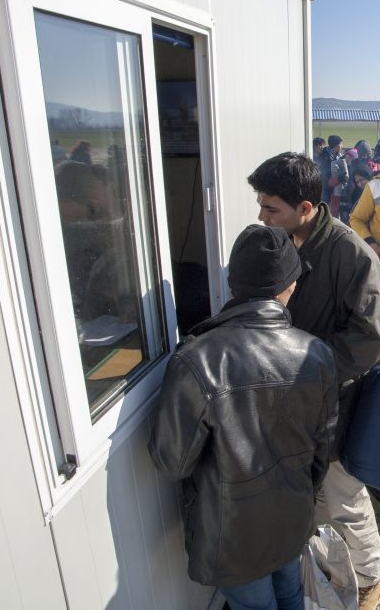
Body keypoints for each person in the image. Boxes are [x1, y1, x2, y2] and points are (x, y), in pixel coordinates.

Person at [148, 224, 338, 610]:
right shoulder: (316, 354)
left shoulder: (196, 360)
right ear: (288, 286)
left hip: (232, 536)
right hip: (292, 516)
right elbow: (322, 451)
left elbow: (172, 461)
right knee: (289, 593)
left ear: (234, 284)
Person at [247, 153, 380, 609]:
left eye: (270, 208)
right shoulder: (284, 242)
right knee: (315, 496)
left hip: (337, 398)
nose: (261, 216)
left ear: (307, 208)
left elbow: (375, 334)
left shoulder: (347, 251)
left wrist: (311, 366)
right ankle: (331, 572)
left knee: (342, 494)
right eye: (260, 204)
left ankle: (370, 579)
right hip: (301, 400)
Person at [317, 135, 343, 204]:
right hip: (325, 191)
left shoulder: (339, 156)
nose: (342, 146)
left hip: (335, 189)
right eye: (341, 144)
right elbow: (325, 176)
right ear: (336, 145)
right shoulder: (324, 157)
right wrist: (339, 178)